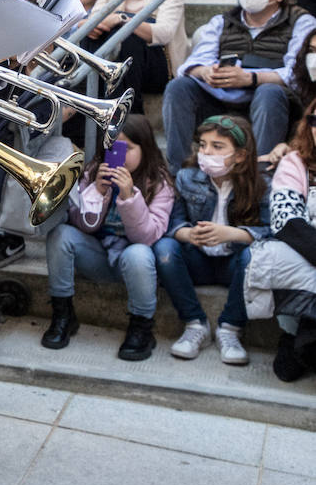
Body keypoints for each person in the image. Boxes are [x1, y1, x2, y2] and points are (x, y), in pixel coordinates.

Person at [163, 0, 316, 171]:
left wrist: (251, 78)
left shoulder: (301, 22)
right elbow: (192, 64)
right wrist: (206, 72)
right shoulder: (223, 21)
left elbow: (297, 73)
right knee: (179, 87)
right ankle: (179, 172)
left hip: (273, 104)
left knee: (269, 91)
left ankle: (261, 175)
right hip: (221, 100)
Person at [42, 115, 173, 359]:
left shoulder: (159, 182)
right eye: (112, 148)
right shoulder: (94, 171)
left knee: (139, 253)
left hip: (134, 264)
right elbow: (84, 226)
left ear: (145, 149)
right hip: (99, 255)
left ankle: (142, 327)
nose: (118, 155)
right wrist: (98, 192)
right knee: (60, 234)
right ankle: (63, 314)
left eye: (127, 148)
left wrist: (128, 196)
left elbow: (147, 237)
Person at [155, 115, 269, 365]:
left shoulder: (262, 185)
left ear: (240, 155)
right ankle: (195, 324)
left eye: (217, 147)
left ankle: (230, 328)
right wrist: (188, 234)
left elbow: (273, 231)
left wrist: (234, 234)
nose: (206, 152)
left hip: (235, 266)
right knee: (164, 248)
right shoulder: (187, 177)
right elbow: (172, 223)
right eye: (203, 145)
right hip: (198, 261)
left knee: (256, 254)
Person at [249, 102, 316, 381]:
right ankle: (293, 333)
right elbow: (286, 220)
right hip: (308, 250)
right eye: (314, 119)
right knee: (282, 254)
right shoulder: (295, 162)